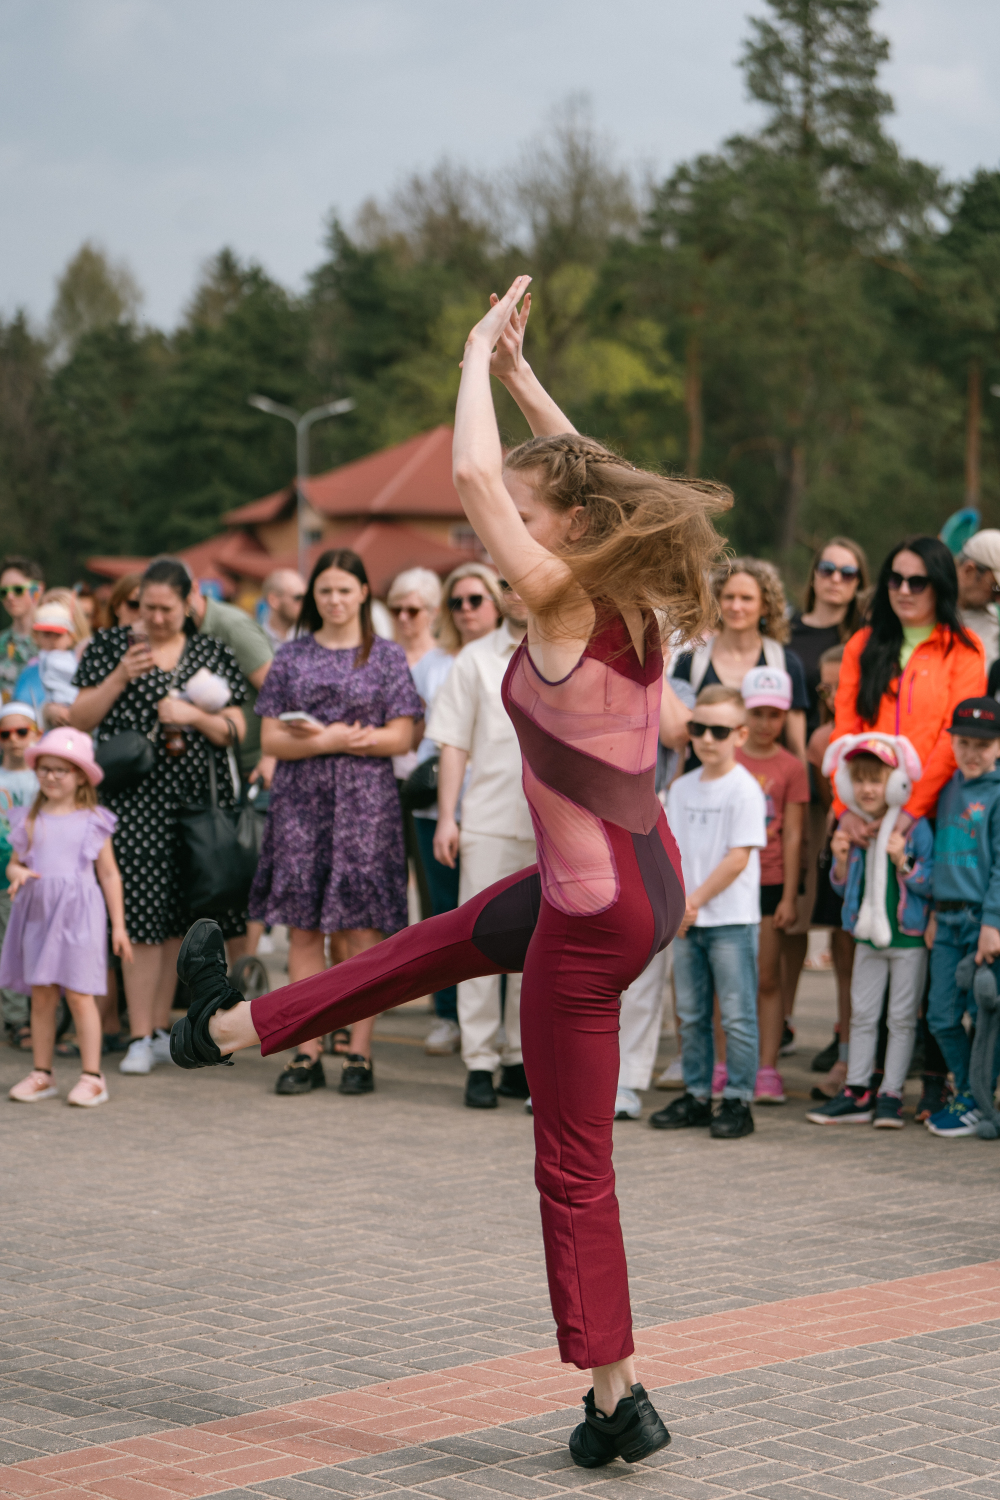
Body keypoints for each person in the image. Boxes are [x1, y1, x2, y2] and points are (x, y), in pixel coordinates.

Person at [171, 274, 728, 1466]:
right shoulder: (625, 583)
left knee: (572, 1163)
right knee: (438, 942)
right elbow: (587, 472)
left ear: (563, 526)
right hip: (636, 878)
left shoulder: (563, 598)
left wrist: (474, 355)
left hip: (595, 912)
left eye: (527, 511)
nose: (501, 522)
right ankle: (222, 1029)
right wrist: (525, 377)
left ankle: (615, 1397)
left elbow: (476, 477)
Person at [249, 548, 421, 1097]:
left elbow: (404, 735)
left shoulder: (386, 655)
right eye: (324, 590)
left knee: (362, 931)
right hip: (301, 804)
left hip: (366, 806)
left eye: (344, 589)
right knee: (304, 929)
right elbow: (272, 739)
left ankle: (359, 1052)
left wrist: (352, 740)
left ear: (364, 592)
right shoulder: (292, 655)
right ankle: (306, 1049)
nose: (334, 599)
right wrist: (328, 739)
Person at [69, 558, 247, 1076]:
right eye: (147, 607)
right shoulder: (112, 646)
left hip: (197, 804)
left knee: (179, 920)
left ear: (189, 603)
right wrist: (120, 676)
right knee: (142, 917)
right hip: (134, 803)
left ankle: (163, 1027)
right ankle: (139, 1034)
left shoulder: (211, 651)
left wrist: (193, 716)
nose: (156, 617)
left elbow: (237, 726)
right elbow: (79, 717)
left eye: (167, 608)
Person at [428, 581, 533, 1107]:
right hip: (488, 821)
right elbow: (454, 744)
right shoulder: (474, 658)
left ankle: (517, 1056)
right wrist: (447, 817)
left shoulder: (564, 651)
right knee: (481, 942)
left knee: (535, 949)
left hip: (551, 827)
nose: (518, 593)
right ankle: (479, 1060)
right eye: (507, 585)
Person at [650, 685, 767, 1139]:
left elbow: (738, 858)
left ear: (740, 734)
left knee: (736, 1015)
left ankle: (738, 1099)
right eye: (698, 728)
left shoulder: (745, 789)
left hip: (729, 921)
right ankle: (697, 1094)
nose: (706, 739)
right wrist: (678, 904)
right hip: (687, 920)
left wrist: (692, 902)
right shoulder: (680, 788)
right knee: (692, 1014)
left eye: (719, 731)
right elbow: (669, 851)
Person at [807, 735, 932, 1128]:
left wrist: (903, 860)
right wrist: (841, 861)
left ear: (895, 782)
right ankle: (857, 1090)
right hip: (865, 937)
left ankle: (891, 1094)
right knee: (862, 1014)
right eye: (859, 780)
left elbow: (930, 881)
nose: (867, 789)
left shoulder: (914, 828)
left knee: (902, 1019)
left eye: (876, 780)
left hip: (907, 937)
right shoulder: (855, 828)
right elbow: (843, 888)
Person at [3, 728, 132, 1107]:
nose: (51, 776)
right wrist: (18, 873)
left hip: (79, 917)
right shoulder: (29, 819)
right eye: (45, 768)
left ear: (80, 776)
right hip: (39, 916)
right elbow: (14, 864)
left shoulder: (93, 820)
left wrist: (119, 926)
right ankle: (42, 1073)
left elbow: (109, 874)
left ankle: (92, 1077)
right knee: (42, 995)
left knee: (79, 994)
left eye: (61, 769)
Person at [386, 566, 460, 1054]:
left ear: (431, 612)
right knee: (397, 887)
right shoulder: (391, 656)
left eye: (412, 609)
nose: (403, 618)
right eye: (396, 609)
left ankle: (447, 1006)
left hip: (435, 788)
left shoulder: (444, 660)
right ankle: (405, 982)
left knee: (441, 899)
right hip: (394, 783)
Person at [923, 698, 1000, 1137]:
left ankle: (976, 1099)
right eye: (964, 742)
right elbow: (940, 855)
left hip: (980, 924)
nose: (972, 753)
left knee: (983, 1018)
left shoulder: (997, 793)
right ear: (951, 742)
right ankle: (968, 1090)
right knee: (941, 1015)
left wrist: (993, 922)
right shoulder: (948, 786)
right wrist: (935, 911)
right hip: (947, 919)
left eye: (983, 745)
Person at [734, 667, 809, 1105]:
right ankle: (725, 1065)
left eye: (774, 714)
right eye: (758, 712)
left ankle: (767, 1067)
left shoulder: (791, 767)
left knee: (766, 977)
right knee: (728, 980)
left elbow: (794, 834)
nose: (765, 723)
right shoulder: (727, 756)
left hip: (770, 881)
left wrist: (789, 895)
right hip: (730, 882)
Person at [662, 557, 809, 766]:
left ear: (765, 605)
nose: (736, 606)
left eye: (746, 598)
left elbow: (796, 746)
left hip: (764, 781)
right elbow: (678, 738)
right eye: (728, 597)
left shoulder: (785, 663)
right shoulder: (691, 661)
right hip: (702, 777)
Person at [806, 646, 857, 1100]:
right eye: (827, 688)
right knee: (845, 955)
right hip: (841, 847)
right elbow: (832, 805)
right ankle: (846, 1054)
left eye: (844, 686)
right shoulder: (821, 740)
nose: (835, 697)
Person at [789, 538, 869, 736]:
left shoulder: (865, 636)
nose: (835, 579)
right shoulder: (785, 630)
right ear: (814, 574)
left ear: (858, 582)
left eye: (847, 573)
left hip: (846, 740)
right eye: (827, 569)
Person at [0, 703, 39, 1050]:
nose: (14, 740)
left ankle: (44, 1017)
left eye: (22, 732)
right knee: (9, 946)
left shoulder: (46, 777)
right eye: (5, 734)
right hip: (4, 878)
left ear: (36, 734)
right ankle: (17, 1020)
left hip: (42, 876)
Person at [0, 557, 43, 703]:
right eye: (3, 592)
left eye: (18, 589)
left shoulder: (55, 639)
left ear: (38, 589)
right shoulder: (1, 642)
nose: (10, 597)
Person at [956, 531, 1000, 672]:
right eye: (996, 588)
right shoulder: (922, 604)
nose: (998, 599)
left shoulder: (990, 622)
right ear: (968, 571)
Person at [435, 563, 504, 653]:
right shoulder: (434, 658)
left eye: (475, 599)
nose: (465, 607)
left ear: (497, 605)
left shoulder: (516, 656)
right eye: (456, 602)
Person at [261, 569, 306, 650]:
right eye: (298, 598)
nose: (305, 603)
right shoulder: (258, 640)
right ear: (273, 600)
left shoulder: (310, 637)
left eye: (306, 598)